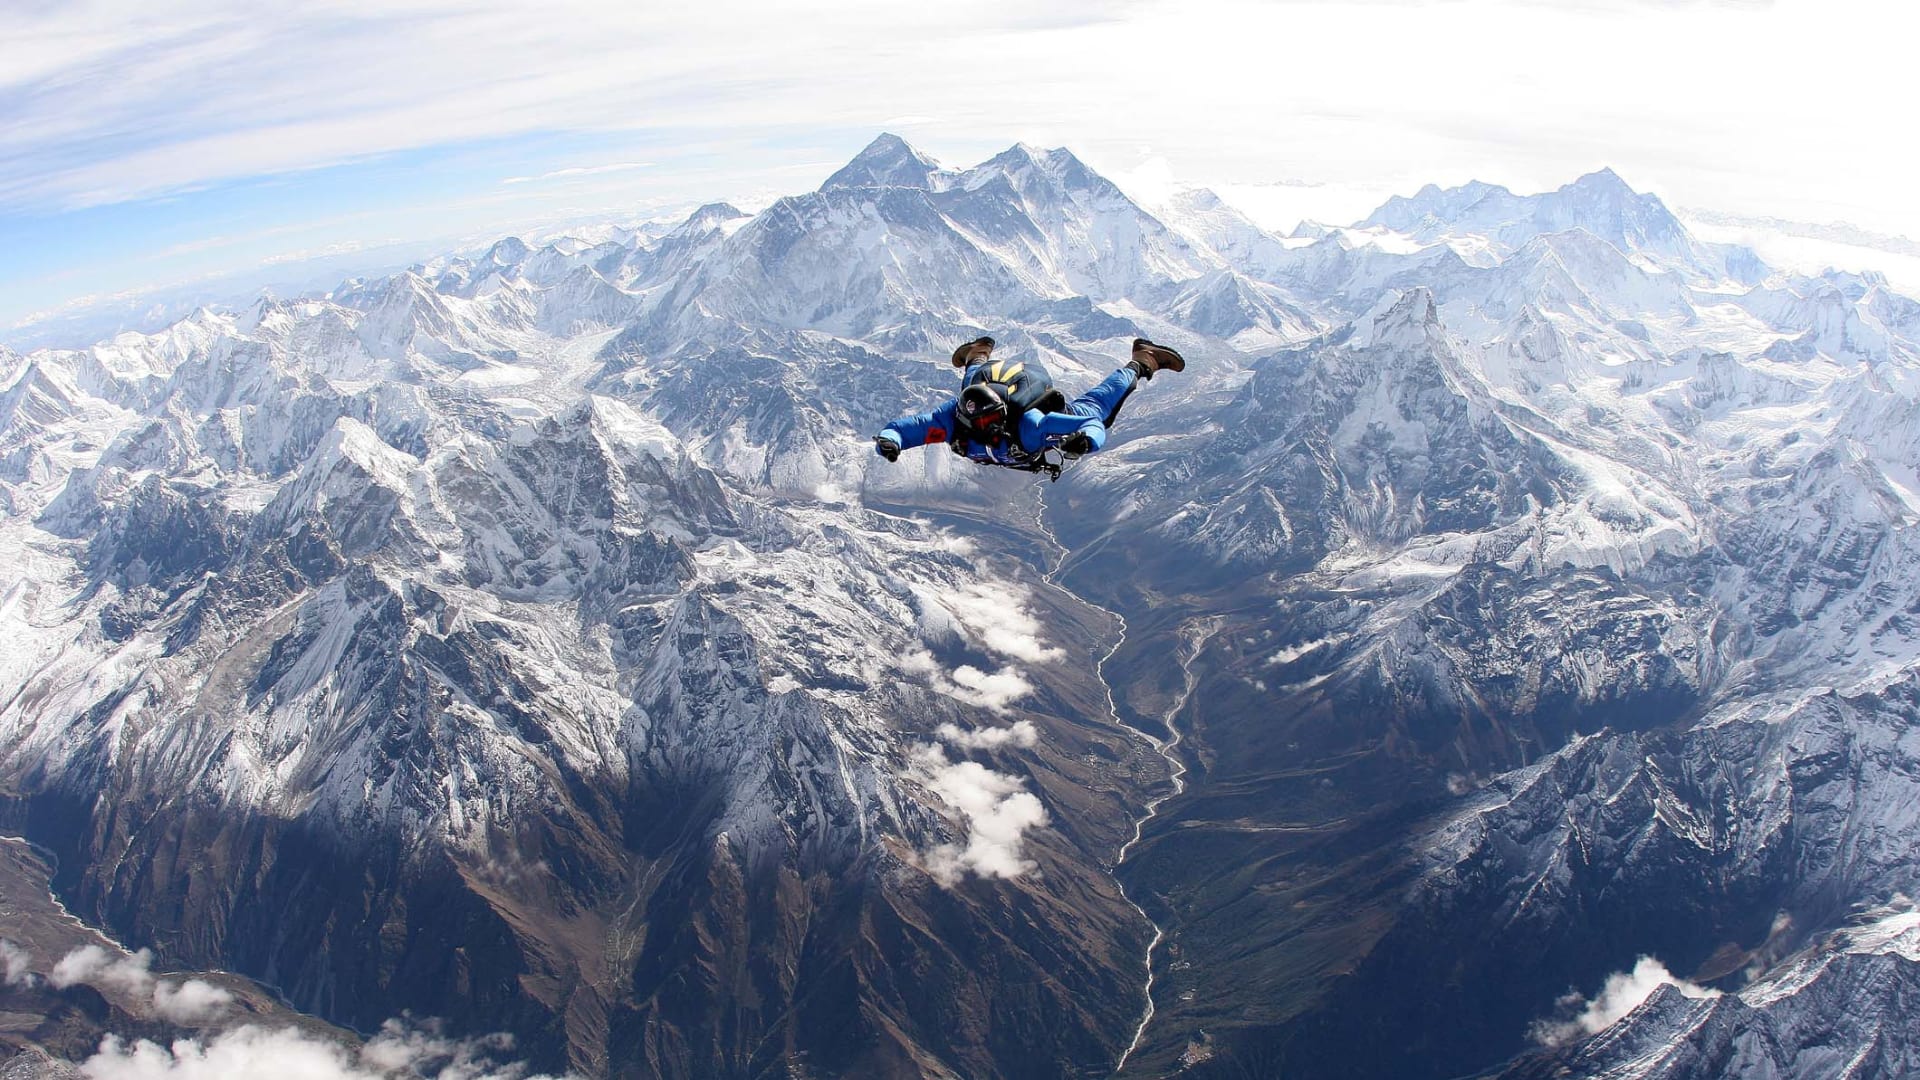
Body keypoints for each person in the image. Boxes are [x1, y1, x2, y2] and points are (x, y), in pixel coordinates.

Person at [872, 336, 1185, 476]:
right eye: (981, 423)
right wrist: (889, 441)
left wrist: (1086, 440)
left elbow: (1089, 424)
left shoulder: (1031, 424)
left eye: (992, 420)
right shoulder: (952, 418)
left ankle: (1143, 360)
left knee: (1096, 407)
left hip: (1030, 408)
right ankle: (977, 355)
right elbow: (906, 430)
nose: (989, 427)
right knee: (970, 384)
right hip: (984, 400)